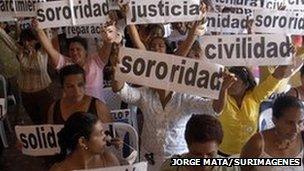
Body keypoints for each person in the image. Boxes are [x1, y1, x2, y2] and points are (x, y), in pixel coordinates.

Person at [111, 2, 236, 170]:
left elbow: (214, 109)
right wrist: (118, 72)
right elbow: (122, 91)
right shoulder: (145, 94)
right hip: (150, 160)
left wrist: (223, 89)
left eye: (161, 46)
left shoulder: (184, 98)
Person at [214, 62, 304, 156]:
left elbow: (274, 79)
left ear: (245, 85)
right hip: (224, 152)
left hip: (249, 150)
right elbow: (217, 109)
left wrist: (285, 59)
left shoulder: (255, 96)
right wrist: (223, 88)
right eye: (228, 81)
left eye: (234, 81)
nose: (230, 84)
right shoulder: (222, 96)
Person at [32, 19, 120, 102]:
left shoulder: (96, 62)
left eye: (78, 49)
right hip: (73, 110)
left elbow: (107, 44)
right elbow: (49, 49)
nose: (75, 52)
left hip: (95, 110)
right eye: (72, 50)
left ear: (85, 51)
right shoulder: (65, 63)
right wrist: (38, 29)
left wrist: (110, 29)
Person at [0, 26, 53, 124]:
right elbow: (7, 39)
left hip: (43, 93)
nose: (26, 43)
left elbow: (48, 35)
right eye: (24, 41)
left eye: (29, 40)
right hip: (26, 95)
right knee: (36, 122)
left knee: (47, 121)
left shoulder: (42, 52)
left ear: (36, 40)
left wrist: (41, 24)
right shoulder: (20, 52)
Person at [240, 95, 304, 171]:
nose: (296, 129)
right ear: (275, 120)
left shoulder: (302, 138)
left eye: (300, 122)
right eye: (289, 123)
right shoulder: (257, 144)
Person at [161, 114, 239, 171]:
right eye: (197, 154)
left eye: (210, 154)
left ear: (218, 146)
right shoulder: (170, 168)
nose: (204, 161)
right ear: (188, 146)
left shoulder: (231, 168)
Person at [50, 112, 120, 171]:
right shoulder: (59, 169)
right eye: (100, 133)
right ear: (82, 142)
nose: (106, 138)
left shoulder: (109, 160)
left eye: (103, 132)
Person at [47, 64, 112, 124]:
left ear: (85, 84)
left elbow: (112, 134)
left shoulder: (98, 106)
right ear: (63, 87)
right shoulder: (54, 108)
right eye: (70, 86)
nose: (76, 91)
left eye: (80, 85)